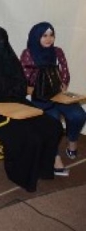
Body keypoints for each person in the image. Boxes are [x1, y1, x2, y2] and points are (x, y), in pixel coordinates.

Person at [0, 27, 64, 191]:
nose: (1, 45)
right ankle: (22, 176)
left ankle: (43, 168)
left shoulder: (10, 58)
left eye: (3, 42)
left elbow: (20, 85)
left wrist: (8, 86)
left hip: (17, 102)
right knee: (30, 137)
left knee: (52, 126)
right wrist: (10, 85)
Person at [20, 22, 86, 161]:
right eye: (44, 35)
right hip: (40, 98)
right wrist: (38, 89)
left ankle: (72, 141)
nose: (49, 39)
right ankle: (53, 155)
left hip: (58, 96)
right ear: (36, 36)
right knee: (53, 122)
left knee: (78, 115)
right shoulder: (28, 54)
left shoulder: (57, 52)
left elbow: (65, 73)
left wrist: (63, 84)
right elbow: (24, 81)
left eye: (51, 35)